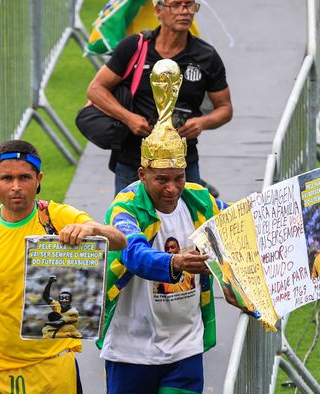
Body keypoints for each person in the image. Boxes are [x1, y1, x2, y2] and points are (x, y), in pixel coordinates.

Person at [97, 56, 244, 392]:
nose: (172, 189)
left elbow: (240, 225)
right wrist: (177, 262)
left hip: (185, 349)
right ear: (141, 174)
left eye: (179, 178)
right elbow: (134, 254)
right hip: (131, 352)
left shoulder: (199, 200)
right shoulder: (125, 207)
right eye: (162, 179)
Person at [0, 139, 127, 394]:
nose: (16, 187)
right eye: (7, 178)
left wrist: (91, 228)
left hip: (53, 369)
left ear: (39, 178)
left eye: (25, 177)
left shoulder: (56, 218)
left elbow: (120, 240)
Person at [86, 0, 232, 194]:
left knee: (189, 223)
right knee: (129, 223)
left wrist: (202, 123)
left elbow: (225, 108)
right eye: (176, 5)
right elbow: (96, 89)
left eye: (189, 5)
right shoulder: (133, 47)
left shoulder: (206, 56)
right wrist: (128, 118)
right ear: (158, 10)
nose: (184, 11)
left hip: (182, 164)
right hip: (134, 161)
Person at [203, 226, 255, 312]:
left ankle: (250, 306)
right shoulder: (217, 258)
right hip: (227, 278)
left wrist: (248, 305)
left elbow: (235, 284)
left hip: (232, 279)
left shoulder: (223, 257)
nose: (208, 243)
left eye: (209, 240)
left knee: (234, 287)